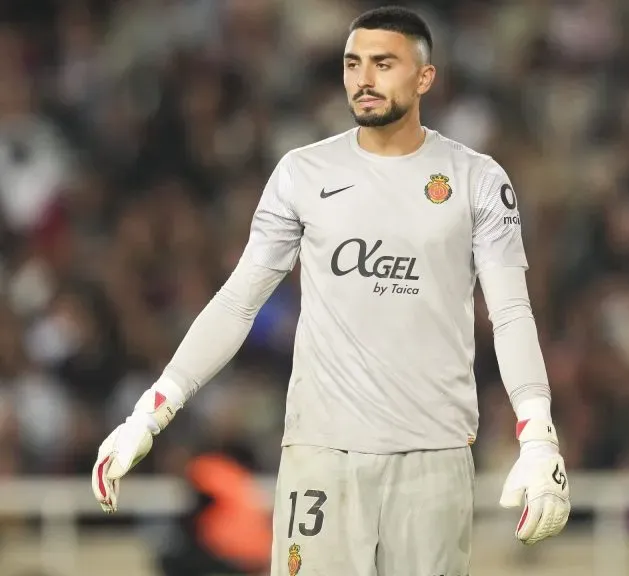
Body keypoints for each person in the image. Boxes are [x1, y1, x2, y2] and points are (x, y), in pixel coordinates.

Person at [89, 6, 571, 575]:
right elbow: (240, 299)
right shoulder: (303, 174)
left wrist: (538, 435)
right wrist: (150, 412)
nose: (364, 79)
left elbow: (511, 312)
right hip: (321, 453)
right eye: (352, 64)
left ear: (424, 77)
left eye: (383, 63)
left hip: (433, 454)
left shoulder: (477, 180)